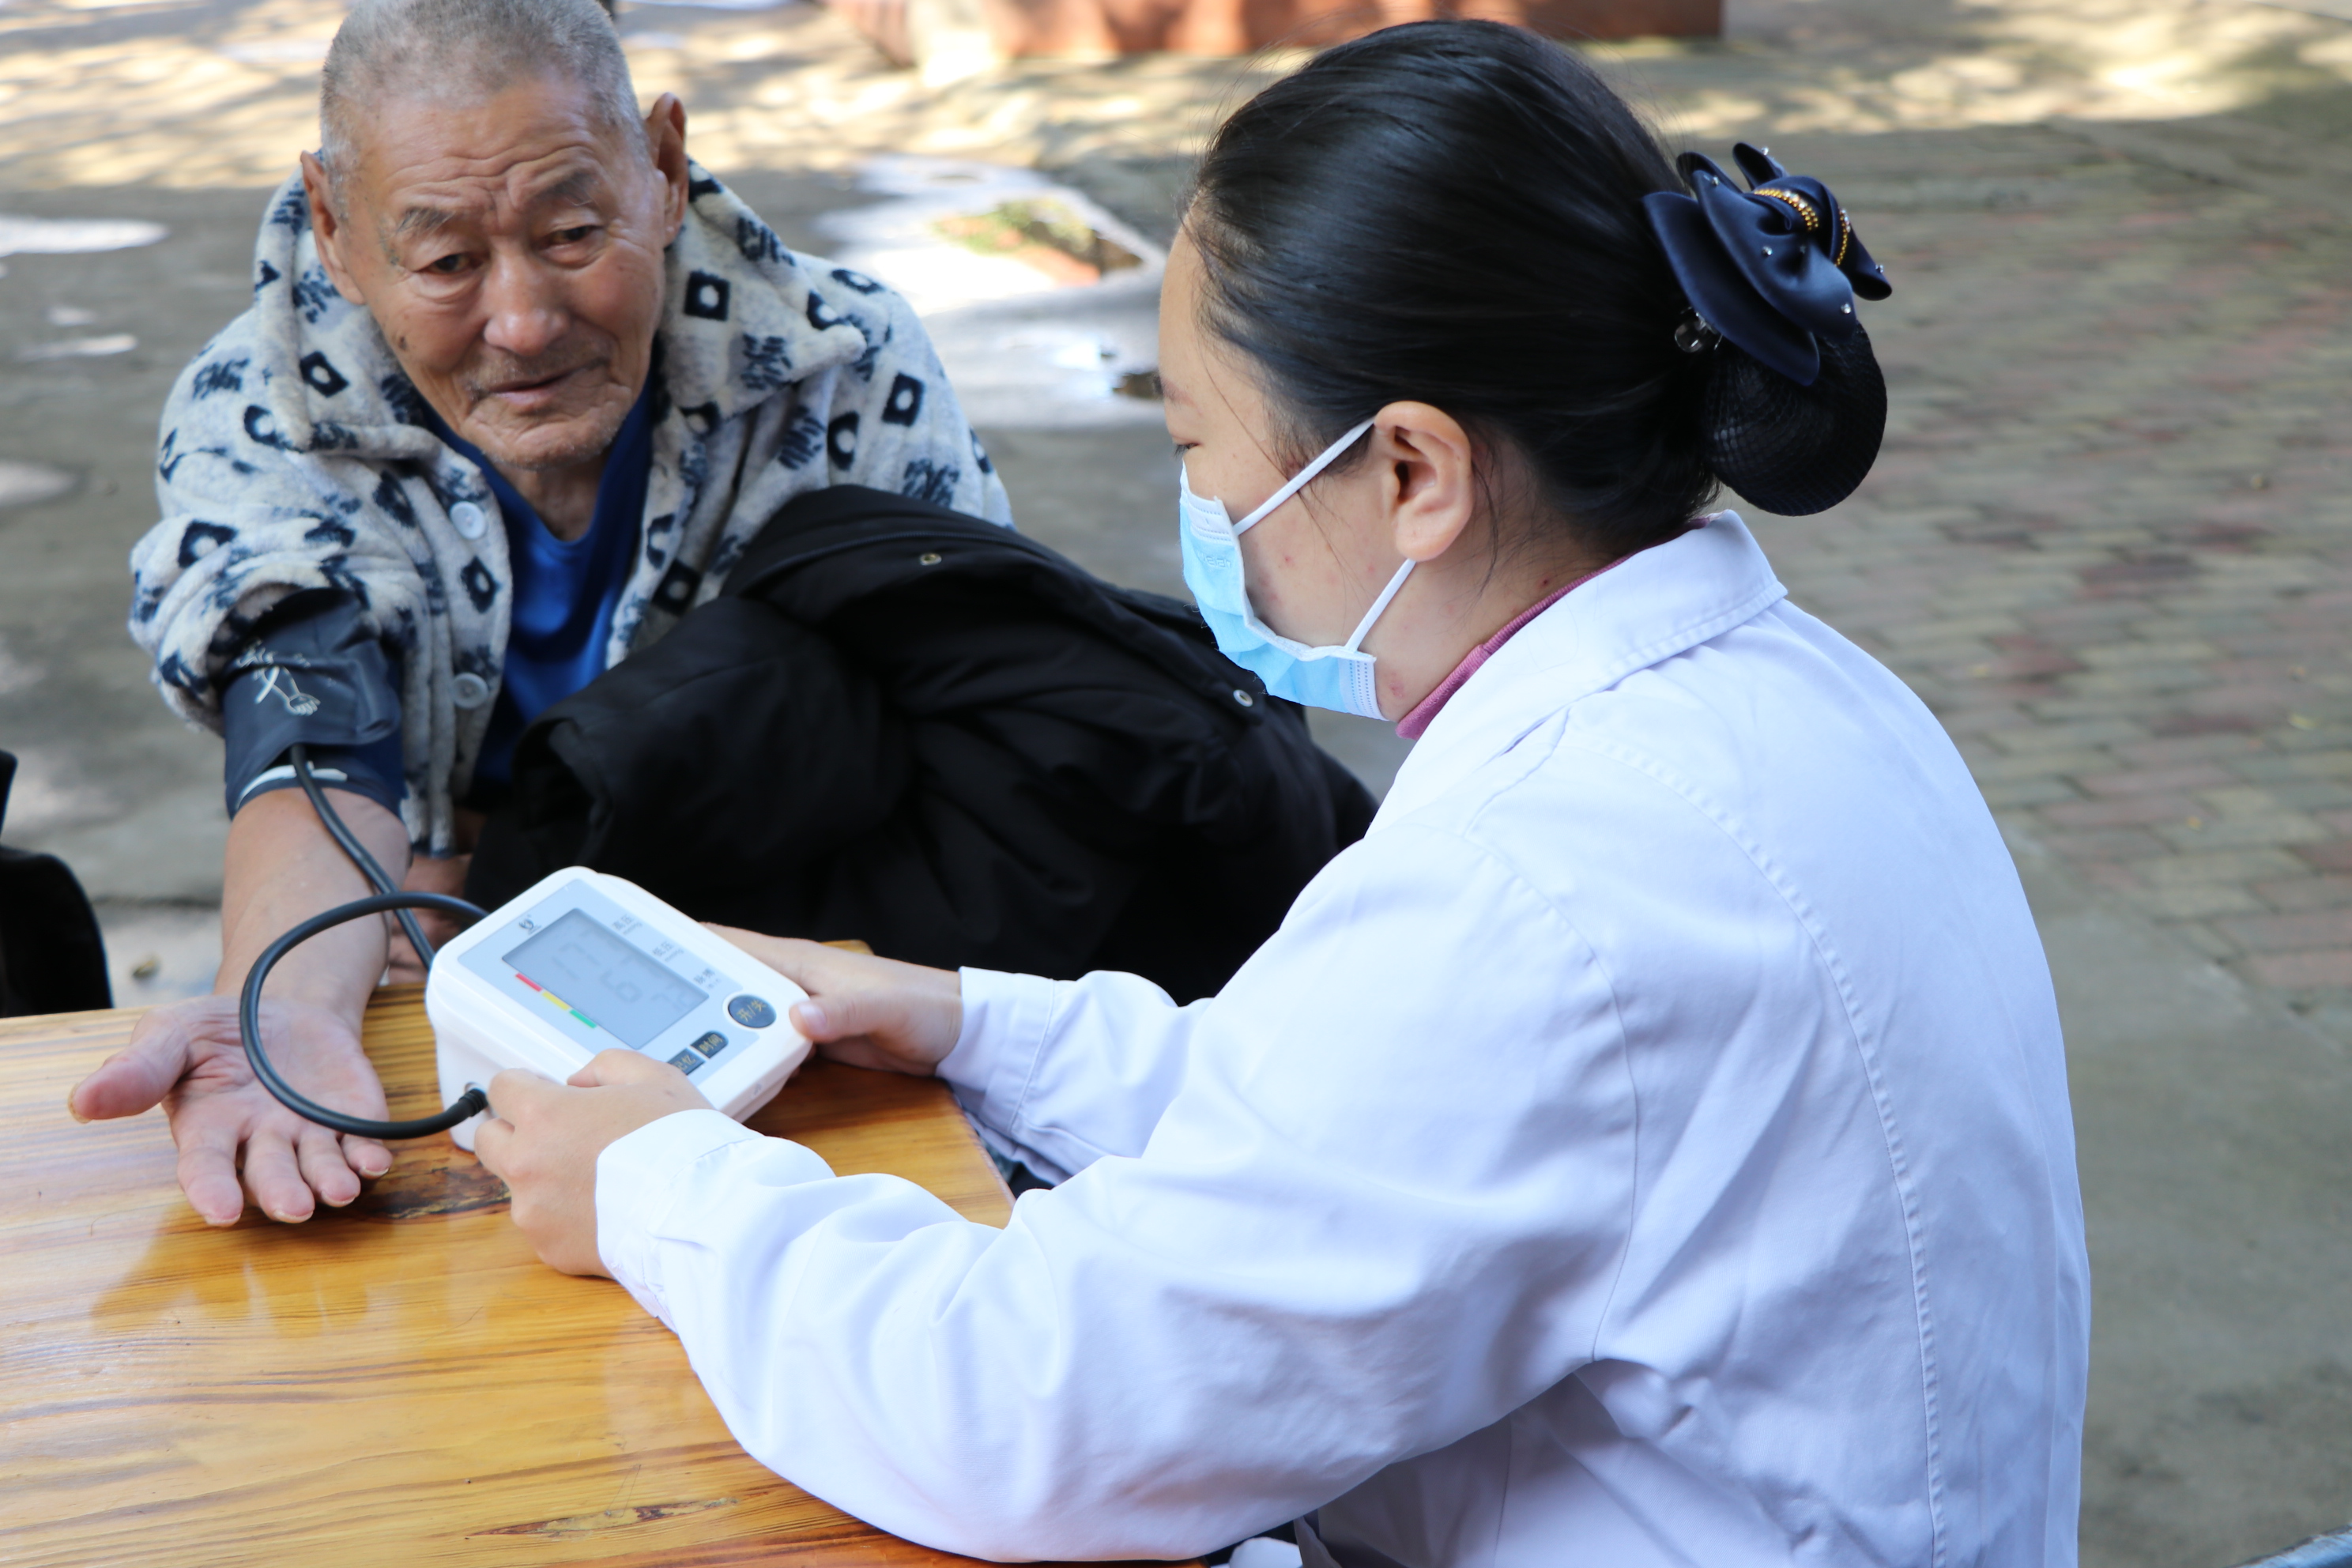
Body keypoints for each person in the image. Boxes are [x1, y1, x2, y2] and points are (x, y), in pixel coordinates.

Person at [488, 22, 2092, 1565]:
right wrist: (967, 1015)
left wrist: (660, 1184)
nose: (1208, 514)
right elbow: (1346, 1110)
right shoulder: (1796, 703)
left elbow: (1032, 1406)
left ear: (1413, 472)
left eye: (1204, 451)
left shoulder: (1544, 893)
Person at [68, 0, 1006, 1226]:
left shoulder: (844, 364)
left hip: (805, 1006)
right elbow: (306, 709)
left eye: (571, 232)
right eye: (449, 260)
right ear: (339, 230)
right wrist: (284, 1003)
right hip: (418, 1008)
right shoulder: (262, 402)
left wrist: (496, 885)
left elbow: (980, 725)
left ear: (662, 169)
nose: (521, 321)